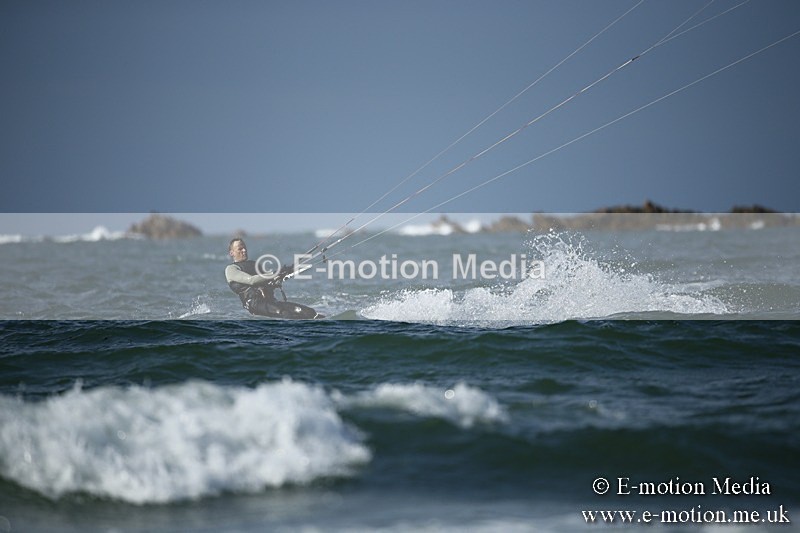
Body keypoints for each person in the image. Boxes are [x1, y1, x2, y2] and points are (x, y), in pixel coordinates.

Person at [225, 238, 321, 319]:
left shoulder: (255, 265)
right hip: (254, 304)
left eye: (244, 248)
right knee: (284, 313)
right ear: (231, 253)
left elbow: (269, 281)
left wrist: (282, 275)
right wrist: (275, 273)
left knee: (309, 312)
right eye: (240, 249)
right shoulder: (231, 269)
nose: (244, 250)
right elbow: (252, 280)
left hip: (270, 301)